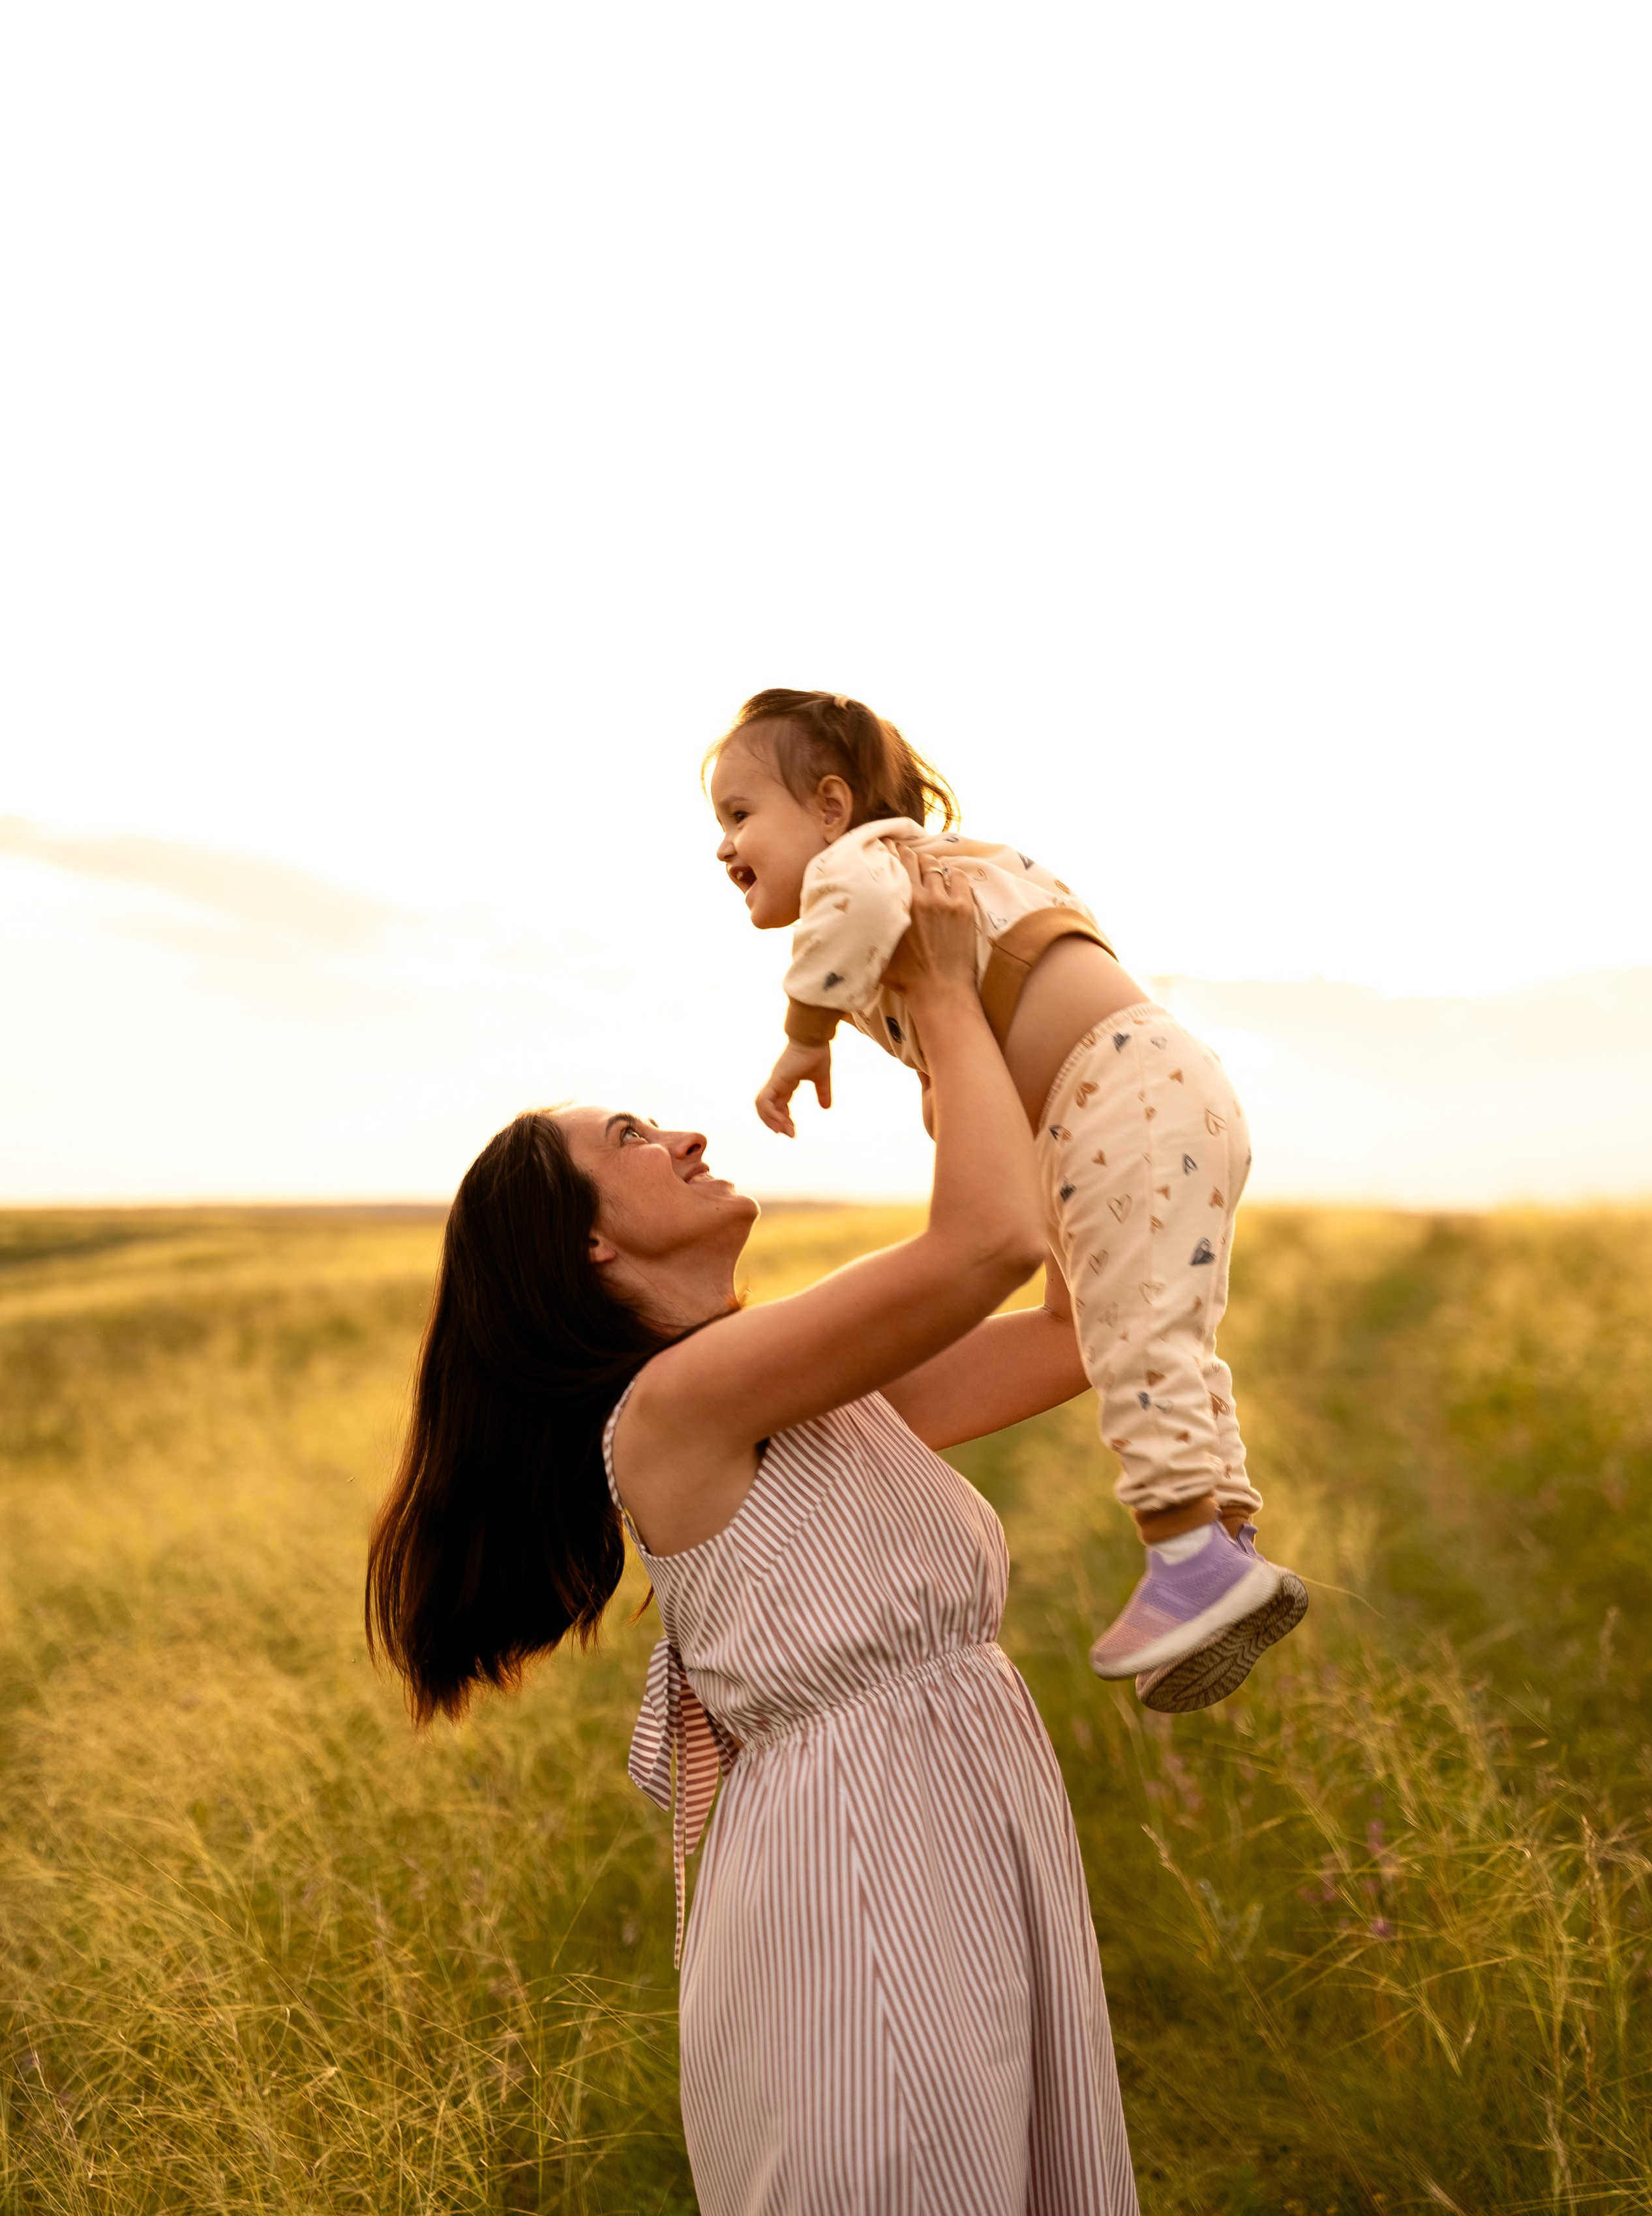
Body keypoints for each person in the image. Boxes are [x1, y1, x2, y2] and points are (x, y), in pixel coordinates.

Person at [367, 854, 1138, 2215]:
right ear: (588, 1248)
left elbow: (1076, 1333)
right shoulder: (677, 1405)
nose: (681, 1136)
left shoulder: (789, 1377)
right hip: (858, 1877)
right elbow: (983, 1246)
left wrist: (1085, 1089)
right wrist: (947, 1003)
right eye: (629, 1142)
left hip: (959, 1825)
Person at [706, 685, 1306, 1711]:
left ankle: (1188, 1554)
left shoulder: (867, 872)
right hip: (1129, 1096)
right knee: (1154, 1326)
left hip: (1115, 1095)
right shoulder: (960, 875)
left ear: (834, 806)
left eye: (739, 814)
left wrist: (804, 1035)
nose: (723, 847)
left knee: (1133, 1336)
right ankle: (1226, 1538)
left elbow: (856, 923)